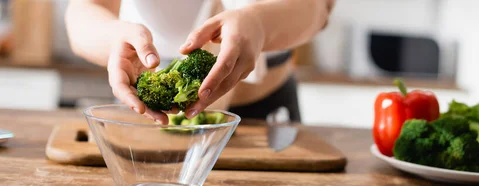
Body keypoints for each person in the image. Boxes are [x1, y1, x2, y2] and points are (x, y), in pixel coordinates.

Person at [65, 0, 335, 124]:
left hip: (265, 118)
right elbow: (83, 10)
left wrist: (260, 24)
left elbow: (319, 9)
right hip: (149, 118)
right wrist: (113, 38)